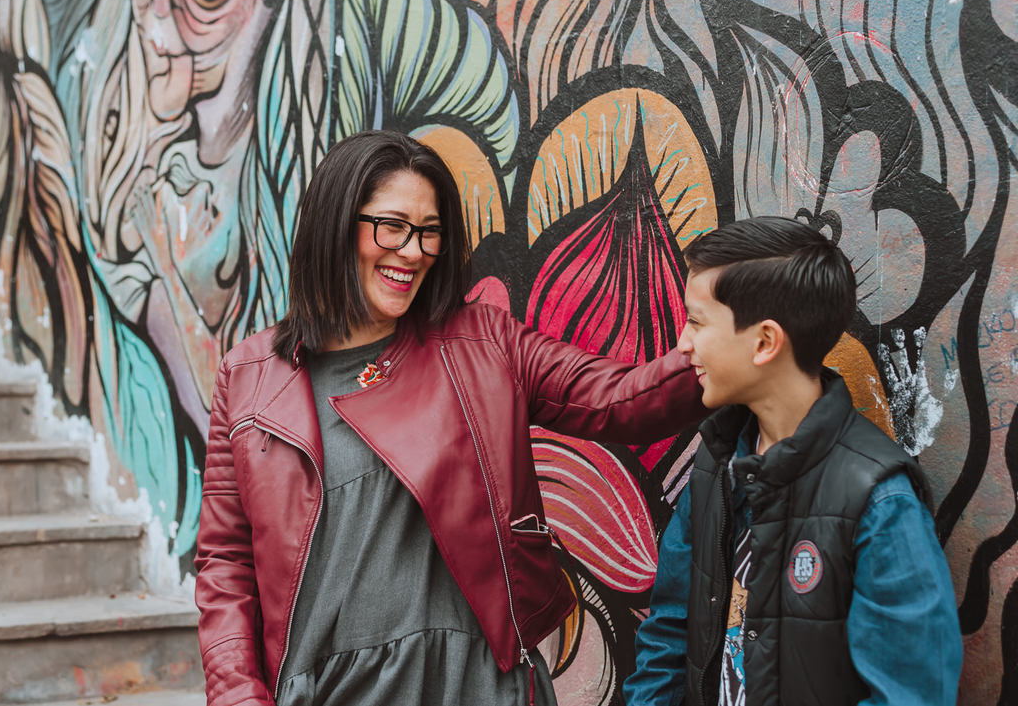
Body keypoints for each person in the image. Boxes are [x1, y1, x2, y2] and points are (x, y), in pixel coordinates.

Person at [194, 130, 709, 706]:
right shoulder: (249, 378)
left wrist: (731, 336)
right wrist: (238, 693)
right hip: (324, 690)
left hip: (472, 684)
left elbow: (623, 400)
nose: (412, 251)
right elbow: (226, 563)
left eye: (429, 232)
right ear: (336, 224)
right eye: (391, 226)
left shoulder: (484, 344)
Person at [622, 216, 962, 706]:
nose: (683, 343)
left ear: (764, 342)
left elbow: (911, 693)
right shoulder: (718, 462)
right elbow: (671, 633)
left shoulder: (880, 502)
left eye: (697, 321)